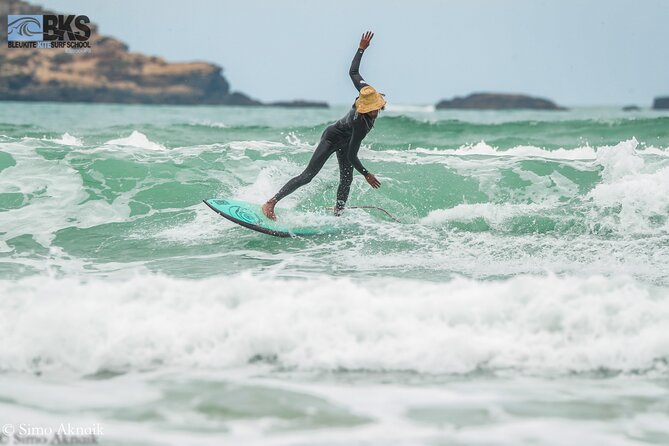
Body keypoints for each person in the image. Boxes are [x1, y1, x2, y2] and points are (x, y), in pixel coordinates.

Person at [262, 31, 386, 220]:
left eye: (376, 107)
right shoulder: (360, 123)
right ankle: (271, 202)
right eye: (371, 109)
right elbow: (353, 156)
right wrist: (367, 174)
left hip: (346, 141)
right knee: (308, 175)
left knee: (346, 179)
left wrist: (361, 49)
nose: (375, 111)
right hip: (332, 137)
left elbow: (353, 72)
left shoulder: (365, 90)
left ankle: (338, 213)